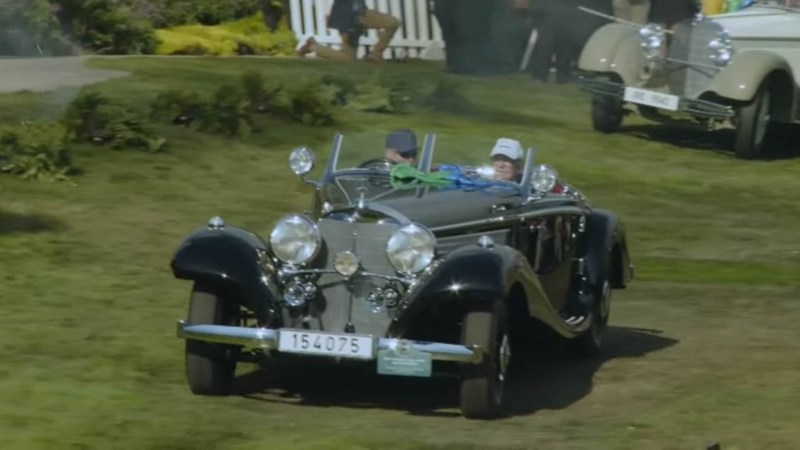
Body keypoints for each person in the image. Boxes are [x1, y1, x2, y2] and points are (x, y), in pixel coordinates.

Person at [296, 0, 401, 62]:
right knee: (348, 58)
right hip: (347, 19)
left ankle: (375, 54)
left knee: (392, 23)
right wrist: (349, 26)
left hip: (362, 13)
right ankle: (313, 47)